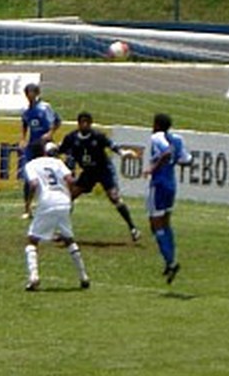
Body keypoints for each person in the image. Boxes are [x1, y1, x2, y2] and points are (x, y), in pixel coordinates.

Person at [58, 111, 142, 242]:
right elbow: (60, 149)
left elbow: (112, 146)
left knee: (114, 197)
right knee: (69, 197)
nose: (84, 125)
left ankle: (133, 228)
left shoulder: (97, 136)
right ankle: (64, 231)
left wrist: (123, 153)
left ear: (91, 124)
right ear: (78, 123)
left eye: (87, 122)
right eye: (82, 122)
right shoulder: (71, 138)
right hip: (88, 172)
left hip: (104, 170)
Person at [22, 142, 90, 292]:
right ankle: (83, 276)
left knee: (32, 240)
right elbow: (71, 180)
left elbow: (33, 184)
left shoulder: (31, 165)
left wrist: (28, 204)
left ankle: (34, 277)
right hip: (63, 200)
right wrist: (70, 197)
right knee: (68, 238)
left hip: (47, 202)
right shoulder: (58, 162)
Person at [144, 113, 193, 284]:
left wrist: (152, 167)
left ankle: (171, 262)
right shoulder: (177, 139)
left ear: (157, 125)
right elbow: (187, 160)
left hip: (158, 185)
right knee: (166, 222)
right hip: (171, 184)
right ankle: (169, 260)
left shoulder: (157, 136)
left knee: (155, 223)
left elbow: (165, 152)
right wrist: (173, 162)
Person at [18, 83, 61, 219]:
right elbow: (24, 123)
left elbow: (57, 121)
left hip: (45, 145)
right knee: (29, 175)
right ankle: (27, 208)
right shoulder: (26, 110)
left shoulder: (45, 107)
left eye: (31, 93)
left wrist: (50, 133)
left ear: (36, 93)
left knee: (48, 174)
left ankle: (50, 205)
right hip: (33, 145)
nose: (29, 96)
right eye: (27, 93)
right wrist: (23, 139)